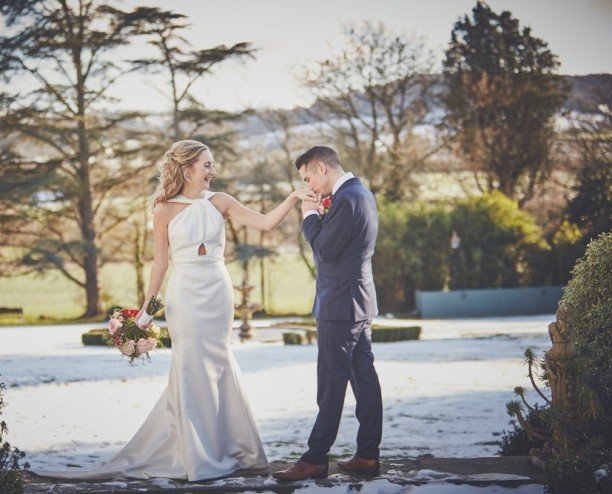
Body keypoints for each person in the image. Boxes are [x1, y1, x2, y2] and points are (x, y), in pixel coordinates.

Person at [33, 139, 314, 481]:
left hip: (217, 290)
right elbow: (160, 264)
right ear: (187, 169)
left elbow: (267, 223)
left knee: (220, 361)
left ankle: (234, 448)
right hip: (185, 294)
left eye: (213, 164)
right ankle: (197, 454)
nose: (214, 170)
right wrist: (145, 315)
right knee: (191, 364)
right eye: (208, 164)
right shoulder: (163, 209)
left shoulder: (221, 201)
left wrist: (294, 198)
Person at [274, 145, 383, 481]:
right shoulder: (360, 193)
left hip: (340, 304)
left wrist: (308, 215)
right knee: (364, 379)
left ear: (322, 167)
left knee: (331, 382)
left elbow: (324, 250)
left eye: (309, 177)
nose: (311, 186)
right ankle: (367, 454)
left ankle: (316, 457)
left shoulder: (348, 200)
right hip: (357, 302)